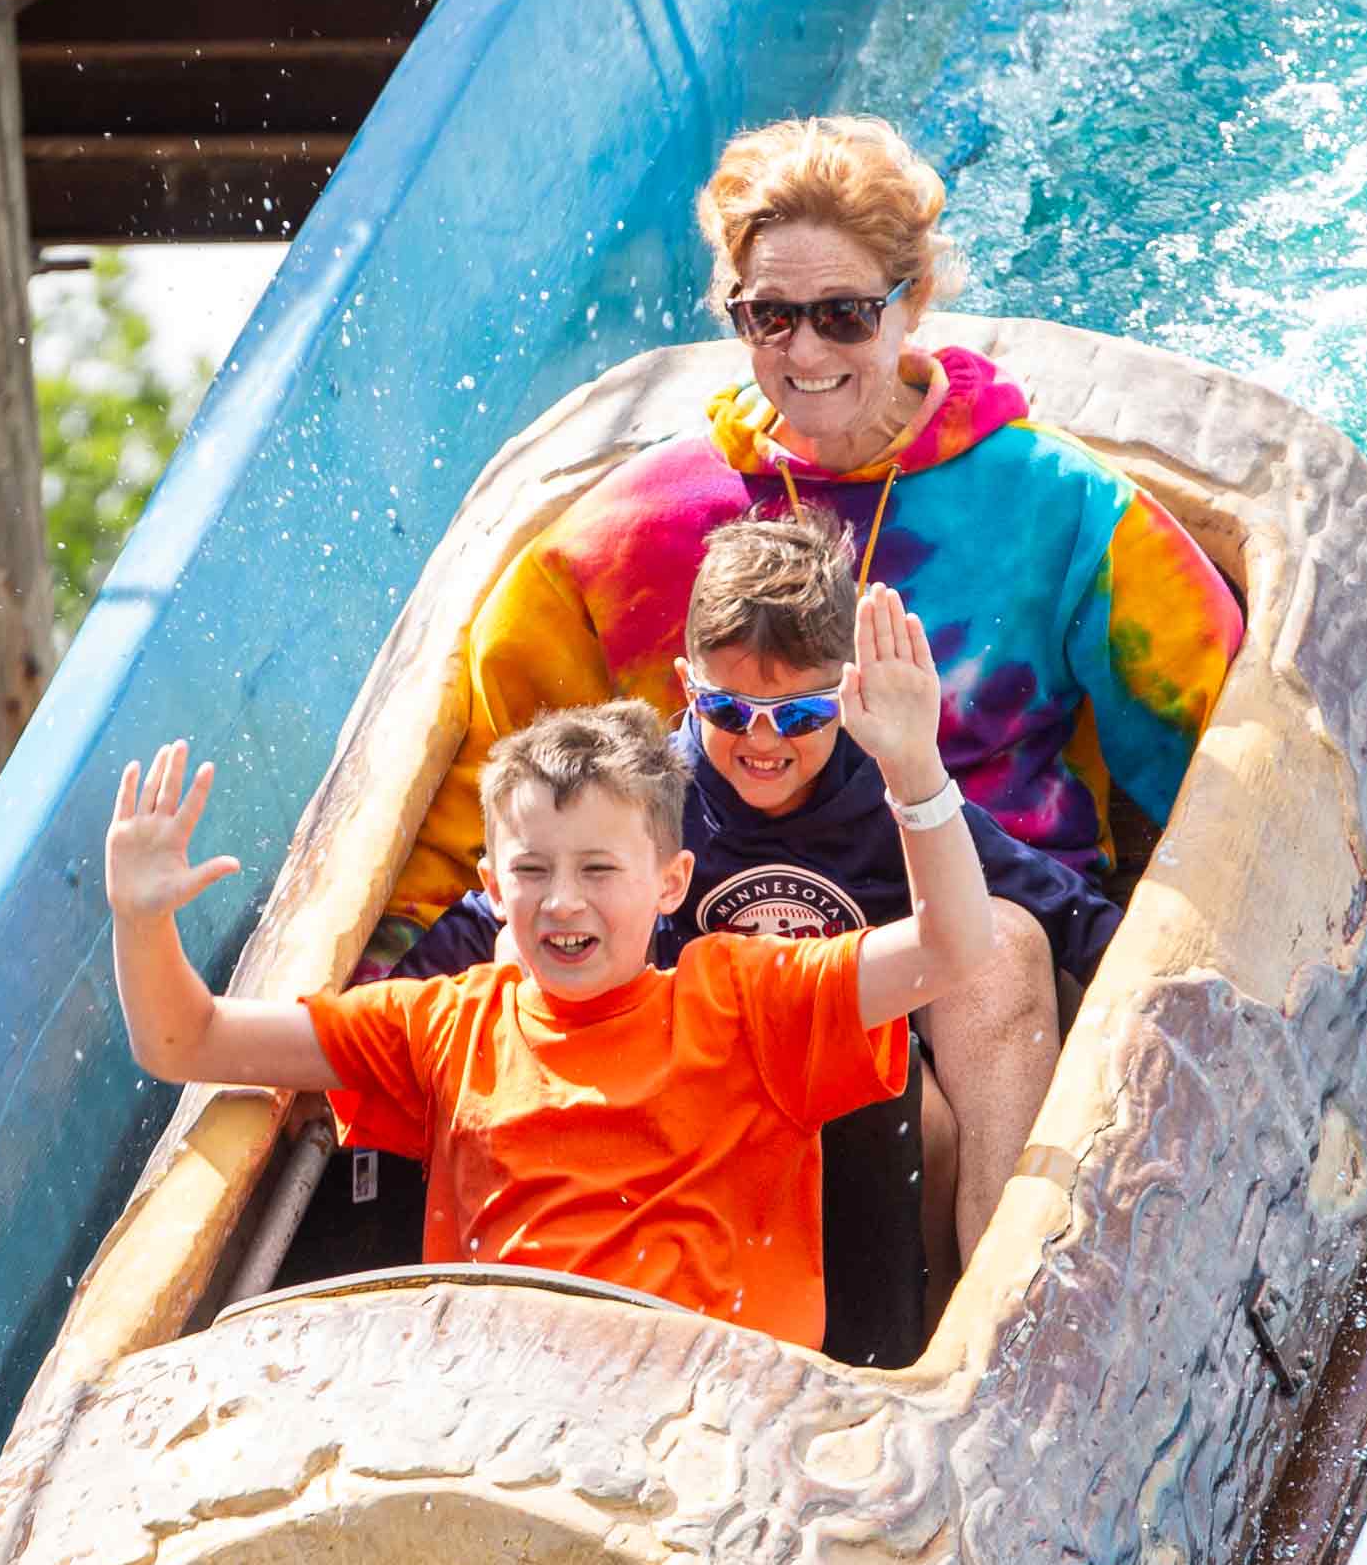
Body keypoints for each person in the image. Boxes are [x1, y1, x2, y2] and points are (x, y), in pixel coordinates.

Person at [384, 109, 1244, 971]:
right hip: (708, 969)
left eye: (845, 315)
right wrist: (389, 969)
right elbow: (497, 791)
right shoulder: (629, 532)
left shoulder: (1060, 506)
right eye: (771, 317)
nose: (805, 350)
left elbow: (1224, 759)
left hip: (993, 940)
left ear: (912, 302)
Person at [105, 586, 998, 1350]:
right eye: (533, 872)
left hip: (707, 1420)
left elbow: (953, 945)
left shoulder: (743, 997)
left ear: (669, 882)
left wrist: (915, 769)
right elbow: (188, 1039)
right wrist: (141, 920)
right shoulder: (449, 1024)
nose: (563, 901)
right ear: (493, 886)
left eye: (599, 871)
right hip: (511, 1414)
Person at [407, 514, 1118, 1267]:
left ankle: (998, 1290)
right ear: (687, 688)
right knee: (515, 951)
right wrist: (383, 989)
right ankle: (537, 1261)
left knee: (1002, 945)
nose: (763, 740)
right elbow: (502, 910)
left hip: (875, 1115)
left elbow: (1067, 913)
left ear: (848, 697)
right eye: (727, 710)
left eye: (802, 714)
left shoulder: (887, 790)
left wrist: (1168, 997)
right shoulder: (645, 794)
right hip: (682, 1104)